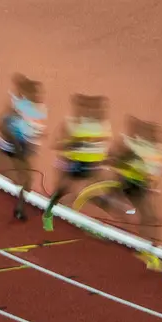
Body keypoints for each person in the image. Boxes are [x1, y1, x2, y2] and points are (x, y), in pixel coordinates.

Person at [98, 116, 162, 269]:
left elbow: (157, 170)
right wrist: (126, 159)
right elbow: (111, 158)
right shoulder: (129, 143)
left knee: (152, 218)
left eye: (155, 133)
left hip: (139, 186)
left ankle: (146, 248)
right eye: (150, 132)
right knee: (147, 217)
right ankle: (143, 247)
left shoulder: (158, 149)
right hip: (125, 183)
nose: (156, 135)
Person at [42, 94, 112, 231]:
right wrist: (74, 144)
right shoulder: (70, 123)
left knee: (97, 193)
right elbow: (56, 145)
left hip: (91, 166)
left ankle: (95, 223)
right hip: (71, 164)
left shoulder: (104, 126)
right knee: (61, 191)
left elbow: (102, 147)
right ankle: (48, 215)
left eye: (98, 108)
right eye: (90, 108)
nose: (96, 111)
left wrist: (104, 159)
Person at [0, 74, 46, 219]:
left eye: (39, 93)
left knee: (26, 181)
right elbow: (4, 124)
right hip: (14, 146)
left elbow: (35, 128)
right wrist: (17, 145)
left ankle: (19, 208)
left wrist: (36, 137)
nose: (38, 95)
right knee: (25, 180)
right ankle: (19, 208)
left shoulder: (37, 109)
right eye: (35, 92)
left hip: (22, 147)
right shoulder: (20, 107)